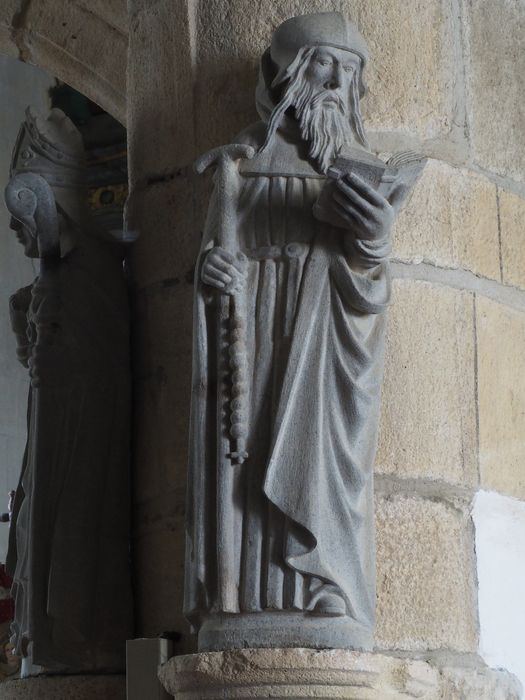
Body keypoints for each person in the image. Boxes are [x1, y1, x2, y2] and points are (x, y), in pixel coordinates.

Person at [185, 12, 417, 652]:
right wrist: (214, 272)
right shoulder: (243, 162)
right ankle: (246, 594)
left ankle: (325, 585)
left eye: (349, 70)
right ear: (287, 73)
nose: (338, 81)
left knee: (325, 452)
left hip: (324, 341)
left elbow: (369, 292)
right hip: (254, 332)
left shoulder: (363, 171)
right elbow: (211, 266)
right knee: (247, 449)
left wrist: (371, 244)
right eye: (323, 63)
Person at [5, 108, 133, 674]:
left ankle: (70, 634)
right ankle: (45, 639)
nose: (14, 229)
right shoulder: (55, 276)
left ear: (46, 198)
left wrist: (47, 342)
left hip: (82, 432)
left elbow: (96, 362)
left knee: (75, 545)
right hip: (50, 431)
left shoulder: (93, 269)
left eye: (20, 212)